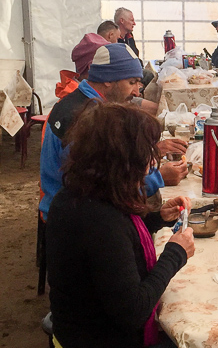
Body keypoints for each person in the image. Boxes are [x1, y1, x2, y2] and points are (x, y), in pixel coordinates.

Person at [45, 101, 217, 348]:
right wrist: (175, 254)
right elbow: (134, 308)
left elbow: (116, 247)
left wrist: (155, 217)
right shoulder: (100, 221)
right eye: (148, 154)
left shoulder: (77, 199)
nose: (152, 162)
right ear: (123, 158)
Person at [39, 43, 187, 221]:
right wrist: (159, 177)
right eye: (131, 82)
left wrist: (150, 149)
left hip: (67, 209)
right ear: (108, 79)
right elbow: (108, 190)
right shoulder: (88, 120)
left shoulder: (82, 103)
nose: (136, 92)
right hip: (74, 222)